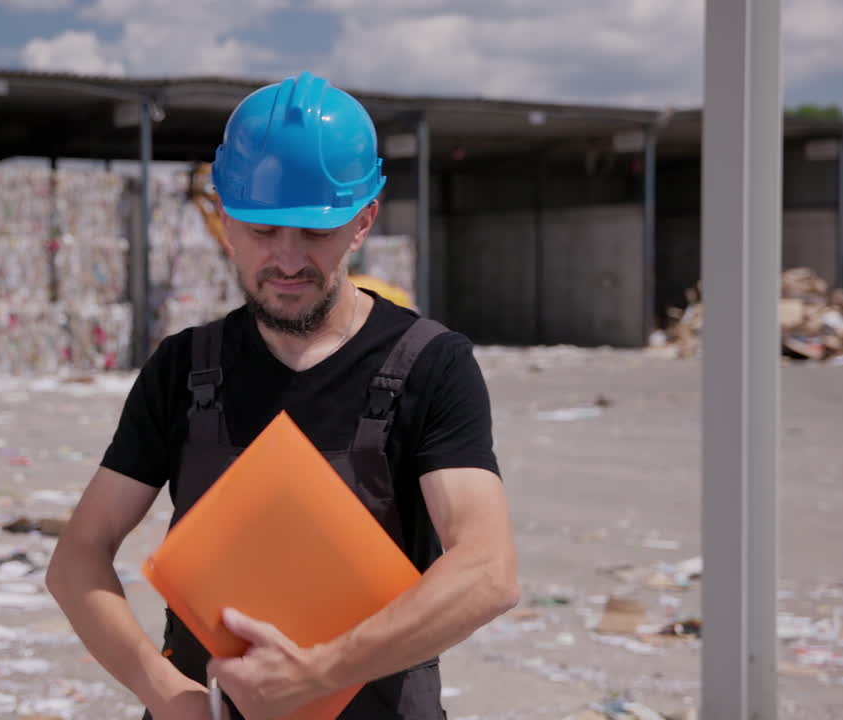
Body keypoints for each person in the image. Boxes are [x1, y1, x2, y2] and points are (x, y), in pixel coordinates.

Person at [47, 71, 519, 720]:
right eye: (263, 231)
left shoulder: (430, 366)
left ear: (364, 221)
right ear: (226, 218)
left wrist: (319, 673)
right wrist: (167, 694)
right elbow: (77, 557)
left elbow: (487, 569)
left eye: (316, 233)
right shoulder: (184, 369)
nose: (289, 260)